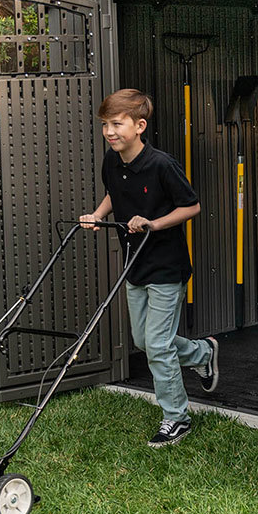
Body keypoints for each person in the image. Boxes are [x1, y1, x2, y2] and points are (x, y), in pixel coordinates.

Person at [82, 88, 218, 446]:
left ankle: (176, 417)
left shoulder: (161, 164)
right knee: (145, 341)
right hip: (134, 264)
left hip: (166, 267)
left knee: (157, 344)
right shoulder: (112, 161)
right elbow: (115, 193)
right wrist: (98, 215)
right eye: (105, 125)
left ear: (139, 126)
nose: (110, 132)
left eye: (117, 124)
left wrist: (154, 223)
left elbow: (191, 207)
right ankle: (203, 353)